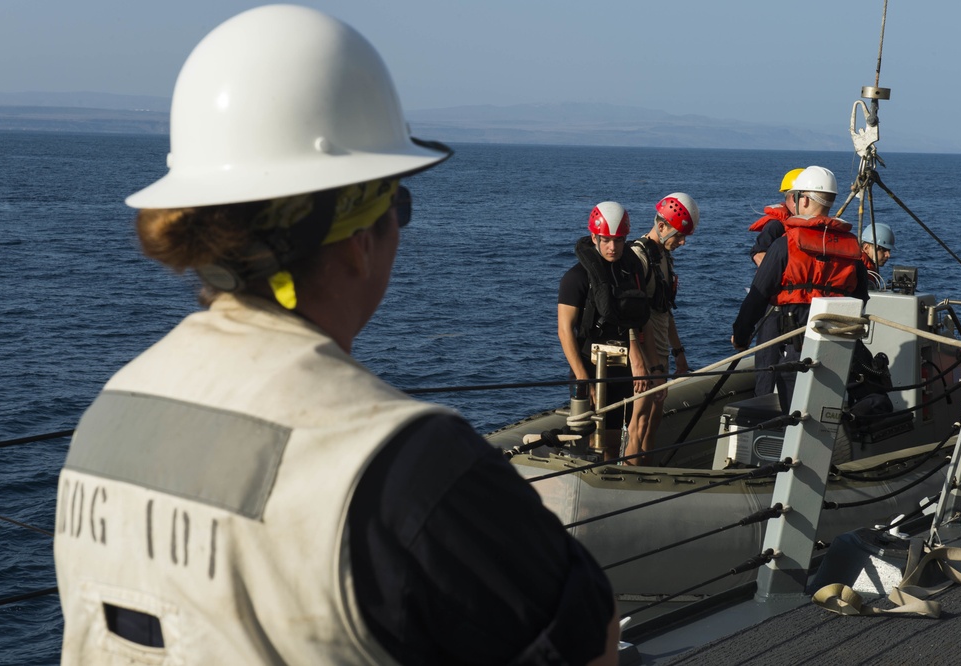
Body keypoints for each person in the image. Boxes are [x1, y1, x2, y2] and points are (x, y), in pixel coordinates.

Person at [53, 6, 619, 665]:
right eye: (397, 205)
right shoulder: (405, 463)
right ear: (357, 240)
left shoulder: (107, 419)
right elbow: (589, 643)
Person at [732, 166, 869, 413]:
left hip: (792, 344)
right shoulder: (852, 249)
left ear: (803, 199)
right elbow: (861, 299)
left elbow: (757, 296)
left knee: (791, 406)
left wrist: (740, 335)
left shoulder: (786, 244)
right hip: (836, 345)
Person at [558, 201, 656, 461]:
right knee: (587, 439)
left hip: (621, 368)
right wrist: (583, 378)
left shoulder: (630, 273)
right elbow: (565, 330)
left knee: (613, 441)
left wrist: (647, 363)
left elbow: (639, 321)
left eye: (619, 240)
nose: (613, 247)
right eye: (606, 240)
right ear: (594, 237)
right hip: (589, 365)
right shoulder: (575, 278)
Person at [623, 193, 699, 466]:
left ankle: (645, 470)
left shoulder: (663, 258)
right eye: (679, 235)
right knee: (639, 422)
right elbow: (629, 316)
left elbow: (665, 310)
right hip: (644, 356)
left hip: (660, 355)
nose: (682, 242)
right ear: (662, 226)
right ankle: (630, 479)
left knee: (653, 420)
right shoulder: (638, 258)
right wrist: (641, 363)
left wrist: (678, 353)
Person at [748, 168, 805, 397]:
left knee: (796, 356)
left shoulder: (805, 229)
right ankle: (762, 402)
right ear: (792, 198)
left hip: (798, 305)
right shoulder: (776, 227)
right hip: (775, 305)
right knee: (767, 356)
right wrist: (781, 274)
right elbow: (758, 253)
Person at [860, 222, 896, 288]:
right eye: (883, 250)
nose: (888, 255)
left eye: (889, 250)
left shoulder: (868, 267)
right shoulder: (861, 270)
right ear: (866, 248)